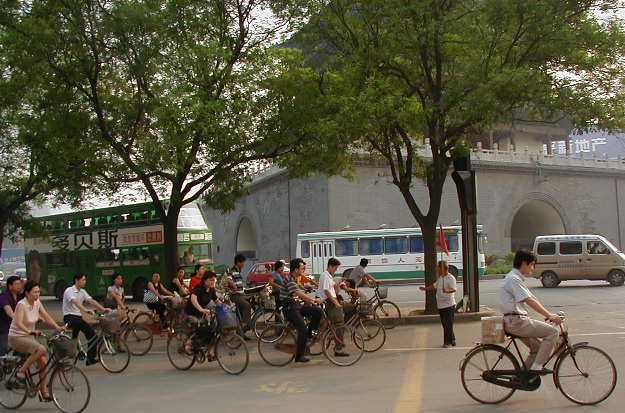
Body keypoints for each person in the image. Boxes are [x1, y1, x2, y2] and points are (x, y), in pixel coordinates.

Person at [499, 250, 562, 375]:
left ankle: (521, 377)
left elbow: (532, 298)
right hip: (517, 322)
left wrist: (549, 314)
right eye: (532, 264)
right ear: (524, 263)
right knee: (553, 333)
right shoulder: (514, 279)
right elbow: (529, 301)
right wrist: (549, 315)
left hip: (515, 321)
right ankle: (537, 367)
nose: (533, 268)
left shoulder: (516, 278)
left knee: (537, 349)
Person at [10, 280, 64, 400]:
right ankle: (21, 372)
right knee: (41, 349)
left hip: (29, 337)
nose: (37, 294)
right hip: (16, 337)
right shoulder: (21, 305)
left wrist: (57, 327)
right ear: (27, 293)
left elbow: (46, 316)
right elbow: (18, 323)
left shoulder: (37, 302)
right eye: (34, 292)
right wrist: (29, 331)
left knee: (44, 363)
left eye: (38, 292)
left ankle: (43, 392)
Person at [63, 274, 111, 366]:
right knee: (92, 334)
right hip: (70, 317)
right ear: (77, 280)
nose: (85, 282)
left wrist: (103, 309)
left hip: (78, 317)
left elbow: (91, 301)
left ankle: (77, 351)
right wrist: (85, 310)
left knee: (76, 337)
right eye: (83, 280)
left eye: (85, 280)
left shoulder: (83, 291)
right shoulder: (69, 291)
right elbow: (75, 302)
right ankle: (90, 358)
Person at [282, 258, 323, 363]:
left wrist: (310, 287)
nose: (303, 270)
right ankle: (299, 356)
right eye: (302, 268)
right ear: (296, 269)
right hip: (289, 308)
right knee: (302, 329)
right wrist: (313, 300)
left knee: (318, 311)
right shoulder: (289, 279)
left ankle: (309, 336)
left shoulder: (296, 278)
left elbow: (301, 288)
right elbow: (298, 293)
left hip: (296, 306)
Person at [420, 261, 457, 348]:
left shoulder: (450, 278)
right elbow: (434, 286)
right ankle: (453, 339)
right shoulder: (440, 278)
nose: (437, 269)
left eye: (438, 268)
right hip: (441, 305)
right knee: (446, 324)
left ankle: (447, 342)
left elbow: (454, 289)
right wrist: (425, 288)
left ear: (443, 268)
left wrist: (447, 290)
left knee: (447, 324)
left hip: (449, 305)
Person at [317, 257, 349, 357]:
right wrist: (335, 303)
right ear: (330, 266)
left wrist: (339, 284)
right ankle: (338, 348)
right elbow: (327, 291)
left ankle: (332, 337)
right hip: (329, 302)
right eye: (335, 268)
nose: (336, 270)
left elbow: (332, 288)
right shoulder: (326, 276)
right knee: (340, 324)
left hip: (330, 301)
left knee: (336, 324)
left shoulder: (329, 276)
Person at [185, 271, 222, 359]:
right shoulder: (199, 288)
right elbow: (193, 299)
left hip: (203, 313)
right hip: (192, 313)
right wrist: (200, 309)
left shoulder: (211, 289)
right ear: (205, 280)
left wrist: (226, 308)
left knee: (214, 330)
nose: (212, 282)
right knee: (203, 328)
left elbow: (217, 301)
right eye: (211, 280)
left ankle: (210, 352)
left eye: (214, 280)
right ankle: (189, 343)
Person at [223, 254, 252, 335]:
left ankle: (242, 332)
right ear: (238, 262)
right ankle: (245, 325)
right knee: (247, 306)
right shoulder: (231, 270)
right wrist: (233, 285)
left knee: (251, 302)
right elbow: (229, 279)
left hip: (241, 295)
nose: (243, 264)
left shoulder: (238, 271)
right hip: (235, 296)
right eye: (243, 262)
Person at [0, 276, 23, 356]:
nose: (19, 286)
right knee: (3, 352)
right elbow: (8, 311)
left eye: (20, 284)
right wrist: (17, 319)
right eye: (16, 284)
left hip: (15, 328)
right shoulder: (4, 296)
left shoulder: (20, 297)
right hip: (4, 329)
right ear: (10, 286)